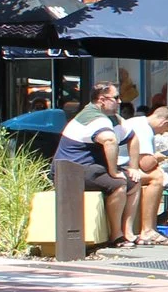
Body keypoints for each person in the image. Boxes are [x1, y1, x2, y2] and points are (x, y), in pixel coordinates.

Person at [54, 82, 132, 244]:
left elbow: (132, 136)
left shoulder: (92, 113)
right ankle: (116, 235)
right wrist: (114, 172)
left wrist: (133, 168)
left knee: (134, 181)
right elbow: (110, 141)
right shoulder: (97, 119)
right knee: (119, 184)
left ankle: (129, 231)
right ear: (102, 100)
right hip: (74, 171)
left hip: (75, 169)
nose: (119, 102)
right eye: (116, 98)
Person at [121, 96, 168, 245]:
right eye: (165, 130)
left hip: (121, 166)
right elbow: (145, 164)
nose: (162, 134)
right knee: (157, 177)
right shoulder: (145, 130)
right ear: (164, 122)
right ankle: (147, 230)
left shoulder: (136, 121)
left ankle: (148, 227)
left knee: (156, 174)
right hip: (121, 169)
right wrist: (158, 157)